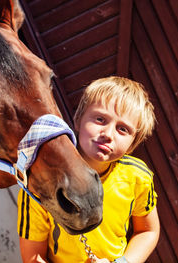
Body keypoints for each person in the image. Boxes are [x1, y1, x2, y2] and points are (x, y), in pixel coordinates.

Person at [17, 76, 160, 263]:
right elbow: (32, 257)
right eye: (100, 119)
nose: (108, 134)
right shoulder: (42, 183)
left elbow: (148, 231)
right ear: (78, 120)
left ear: (134, 143)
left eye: (123, 129)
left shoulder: (137, 177)